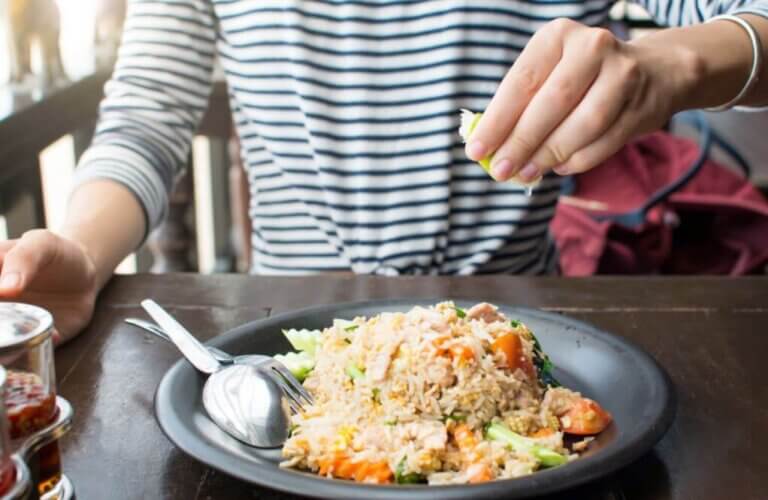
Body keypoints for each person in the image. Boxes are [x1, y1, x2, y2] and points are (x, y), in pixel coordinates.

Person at [0, 0, 766, 343]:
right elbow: (145, 118)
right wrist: (83, 249)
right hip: (282, 340)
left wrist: (687, 60)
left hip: (520, 330)